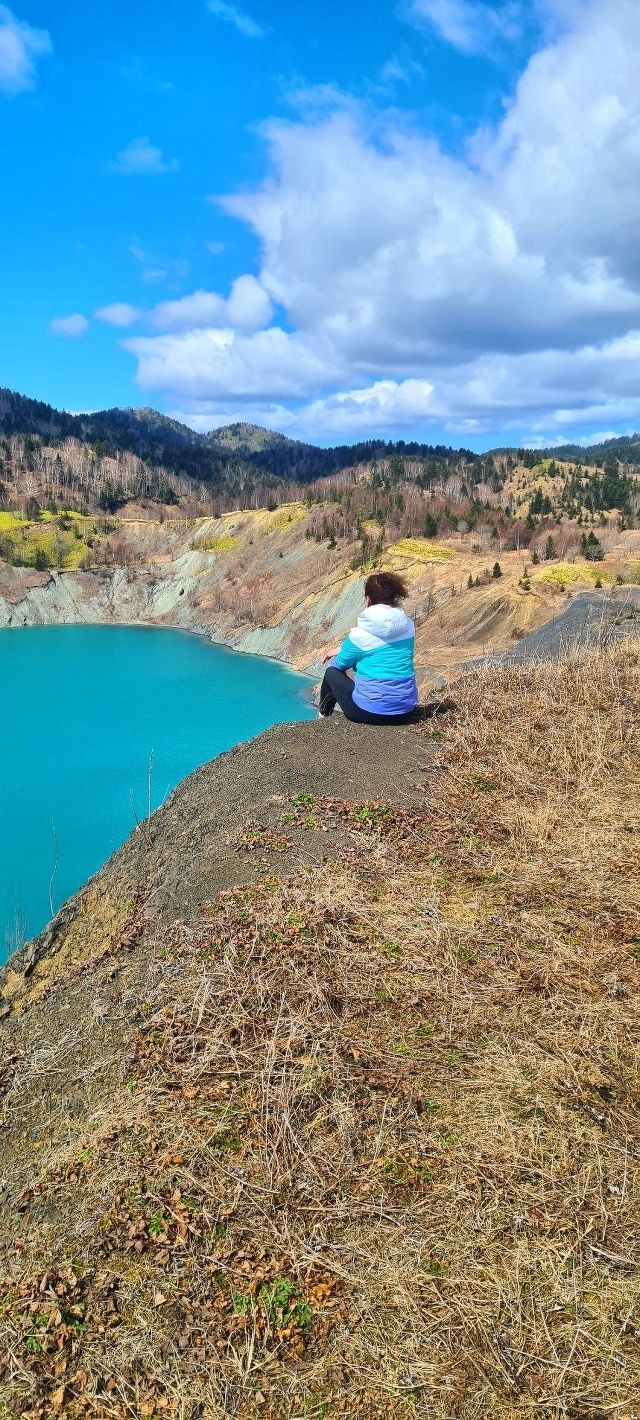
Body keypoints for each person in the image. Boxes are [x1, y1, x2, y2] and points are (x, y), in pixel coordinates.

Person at [318, 571, 419, 724]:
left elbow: (340, 664)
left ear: (367, 600)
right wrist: (342, 648)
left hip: (369, 713)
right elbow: (381, 646)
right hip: (406, 710)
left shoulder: (360, 635)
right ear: (393, 598)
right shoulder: (408, 626)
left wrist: (343, 653)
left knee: (331, 673)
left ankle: (322, 718)